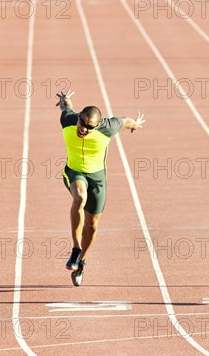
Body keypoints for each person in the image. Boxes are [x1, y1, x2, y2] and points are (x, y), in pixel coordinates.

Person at [55, 90, 145, 286]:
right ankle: (75, 249)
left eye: (90, 127)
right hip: (74, 172)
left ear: (97, 125)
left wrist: (135, 125)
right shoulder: (68, 119)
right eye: (82, 123)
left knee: (92, 225)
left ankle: (82, 262)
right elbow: (66, 107)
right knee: (79, 197)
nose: (84, 129)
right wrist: (64, 99)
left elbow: (125, 120)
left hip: (97, 178)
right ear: (78, 118)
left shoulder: (108, 127)